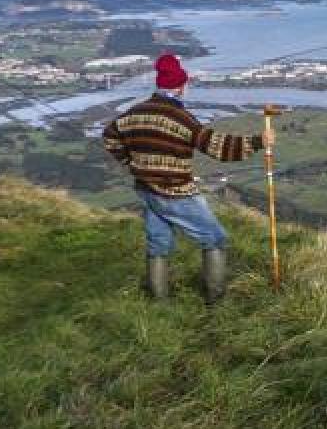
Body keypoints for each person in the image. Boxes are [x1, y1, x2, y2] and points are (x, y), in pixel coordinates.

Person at [102, 53, 273, 303]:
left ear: (159, 85)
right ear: (181, 87)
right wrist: (259, 141)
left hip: (147, 189)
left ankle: (159, 302)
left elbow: (110, 137)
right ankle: (216, 301)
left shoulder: (134, 113)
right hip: (176, 192)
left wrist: (132, 162)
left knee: (158, 242)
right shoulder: (182, 119)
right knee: (215, 238)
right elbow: (220, 148)